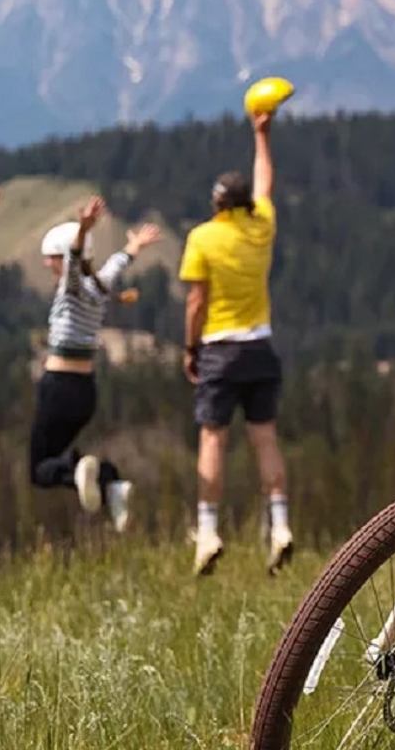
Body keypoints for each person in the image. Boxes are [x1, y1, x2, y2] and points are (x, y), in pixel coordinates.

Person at [181, 107, 291, 576]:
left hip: (219, 350)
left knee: (213, 439)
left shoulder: (203, 238)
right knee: (265, 439)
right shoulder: (261, 225)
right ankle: (281, 525)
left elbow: (196, 302)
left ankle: (208, 532)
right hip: (260, 347)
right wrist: (261, 136)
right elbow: (265, 183)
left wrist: (190, 349)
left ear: (217, 204)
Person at [28, 195, 162, 532]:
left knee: (39, 470)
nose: (45, 263)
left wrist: (84, 229)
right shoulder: (99, 288)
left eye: (50, 257)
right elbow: (116, 264)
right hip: (85, 392)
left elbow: (74, 263)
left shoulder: (70, 289)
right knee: (56, 455)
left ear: (63, 258)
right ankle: (111, 482)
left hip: (58, 387)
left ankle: (79, 472)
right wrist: (134, 246)